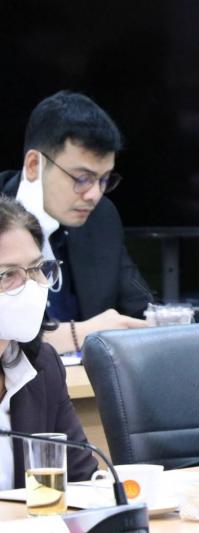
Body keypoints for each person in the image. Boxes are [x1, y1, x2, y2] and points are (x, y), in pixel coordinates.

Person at [0, 91, 152, 354]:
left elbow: (141, 307)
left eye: (104, 179)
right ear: (34, 165)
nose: (94, 195)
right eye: (82, 179)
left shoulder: (101, 217)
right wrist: (80, 333)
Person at [0, 196, 97, 489]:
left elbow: (82, 483)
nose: (31, 287)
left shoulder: (42, 366)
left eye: (36, 269)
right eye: (7, 274)